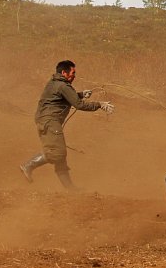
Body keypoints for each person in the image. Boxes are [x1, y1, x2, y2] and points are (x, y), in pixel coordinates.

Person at [20, 60, 114, 190]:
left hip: (46, 121)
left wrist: (81, 94)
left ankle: (70, 189)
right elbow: (79, 105)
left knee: (60, 157)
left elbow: (65, 97)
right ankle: (28, 165)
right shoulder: (63, 85)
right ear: (64, 72)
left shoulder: (55, 83)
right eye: (73, 72)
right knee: (57, 152)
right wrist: (100, 105)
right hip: (50, 121)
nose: (74, 76)